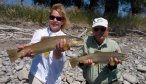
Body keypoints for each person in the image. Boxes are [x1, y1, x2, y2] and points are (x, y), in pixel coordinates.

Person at [18, 3, 70, 84]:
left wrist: (58, 51)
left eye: (59, 18)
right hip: (37, 75)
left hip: (54, 79)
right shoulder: (39, 33)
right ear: (49, 19)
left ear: (62, 21)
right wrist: (27, 51)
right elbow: (33, 49)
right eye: (52, 17)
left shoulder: (64, 38)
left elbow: (60, 60)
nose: (55, 20)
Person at [78, 17, 122, 84]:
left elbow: (117, 71)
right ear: (92, 31)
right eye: (96, 29)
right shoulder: (86, 42)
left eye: (103, 29)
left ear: (107, 30)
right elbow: (80, 63)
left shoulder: (114, 45)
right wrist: (82, 62)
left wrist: (112, 65)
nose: (99, 31)